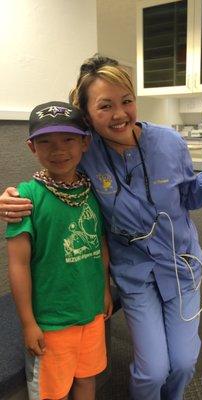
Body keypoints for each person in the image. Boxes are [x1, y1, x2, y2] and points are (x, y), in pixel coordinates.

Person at [0, 54, 202, 400]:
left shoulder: (168, 142)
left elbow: (191, 198)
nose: (120, 114)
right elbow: (53, 177)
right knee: (152, 371)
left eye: (127, 101)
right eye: (105, 106)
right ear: (87, 115)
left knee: (183, 362)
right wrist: (10, 198)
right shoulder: (83, 151)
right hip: (133, 273)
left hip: (180, 266)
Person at [5, 101, 113, 400]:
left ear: (85, 143)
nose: (59, 150)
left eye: (68, 139)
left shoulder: (91, 190)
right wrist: (28, 322)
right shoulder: (25, 197)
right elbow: (18, 264)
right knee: (52, 393)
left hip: (90, 312)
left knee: (86, 380)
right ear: (32, 147)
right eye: (46, 142)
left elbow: (100, 244)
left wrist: (104, 290)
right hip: (51, 321)